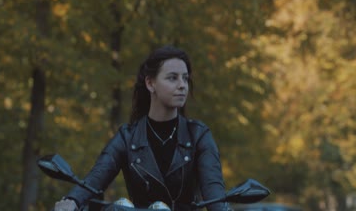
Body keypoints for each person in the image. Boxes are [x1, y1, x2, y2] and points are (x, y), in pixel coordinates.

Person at [54, 45, 228, 211]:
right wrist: (72, 200)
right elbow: (96, 178)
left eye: (185, 78)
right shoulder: (127, 137)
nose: (182, 85)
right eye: (172, 78)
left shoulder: (198, 135)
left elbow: (215, 193)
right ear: (150, 84)